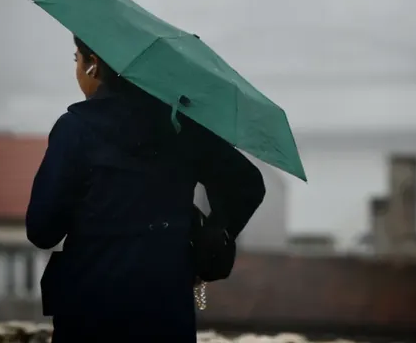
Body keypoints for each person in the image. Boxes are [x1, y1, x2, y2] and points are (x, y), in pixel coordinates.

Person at [26, 36, 266, 342]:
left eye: (77, 60)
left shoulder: (75, 130)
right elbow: (246, 185)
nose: (76, 70)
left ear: (93, 65)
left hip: (90, 311)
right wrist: (210, 237)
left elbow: (42, 231)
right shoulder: (181, 127)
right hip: (166, 310)